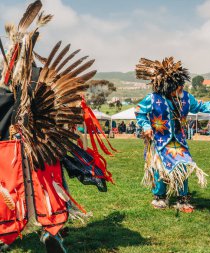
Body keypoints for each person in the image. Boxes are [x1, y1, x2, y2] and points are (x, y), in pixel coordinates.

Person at [0, 2, 115, 252]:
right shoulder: (39, 77)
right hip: (45, 146)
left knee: (12, 191)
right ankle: (51, 231)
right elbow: (70, 110)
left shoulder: (9, 84)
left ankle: (6, 237)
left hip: (11, 149)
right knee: (46, 189)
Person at [134, 57, 210, 213]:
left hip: (178, 141)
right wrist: (146, 126)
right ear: (169, 86)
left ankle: (182, 198)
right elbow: (140, 111)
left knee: (182, 166)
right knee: (160, 168)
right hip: (159, 140)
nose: (182, 88)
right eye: (178, 86)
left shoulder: (185, 98)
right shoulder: (153, 99)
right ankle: (160, 197)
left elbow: (200, 106)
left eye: (182, 85)